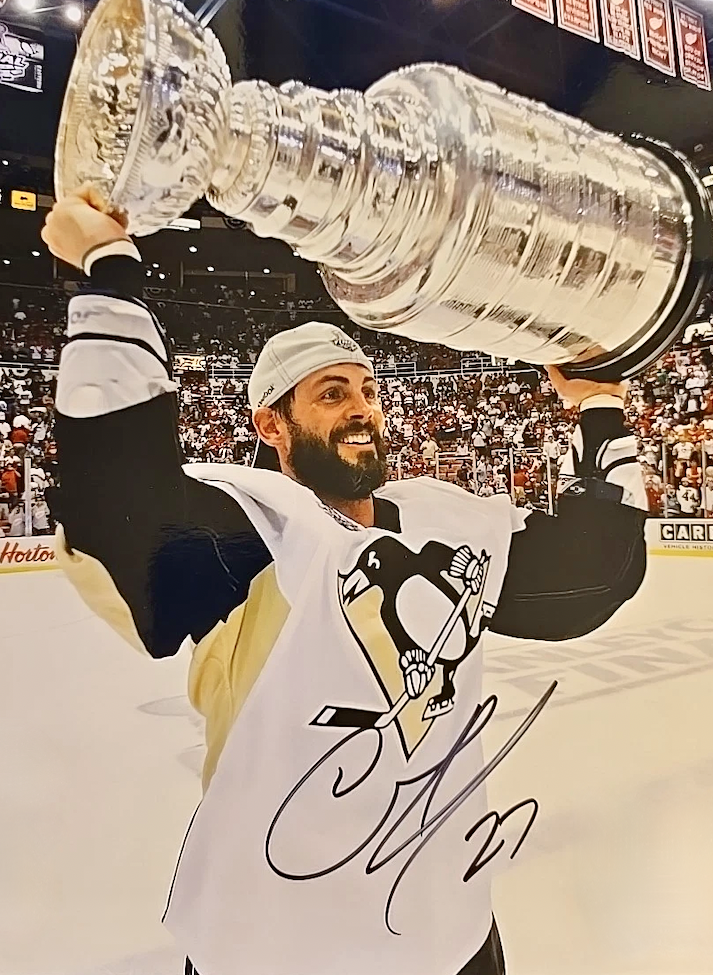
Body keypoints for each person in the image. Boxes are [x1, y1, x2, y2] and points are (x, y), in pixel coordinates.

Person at [42, 188, 648, 975]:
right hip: (272, 950)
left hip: (448, 936)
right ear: (271, 424)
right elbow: (122, 526)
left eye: (366, 390)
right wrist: (109, 279)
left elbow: (593, 575)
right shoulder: (254, 525)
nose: (361, 409)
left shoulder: (443, 520)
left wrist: (599, 405)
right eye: (330, 394)